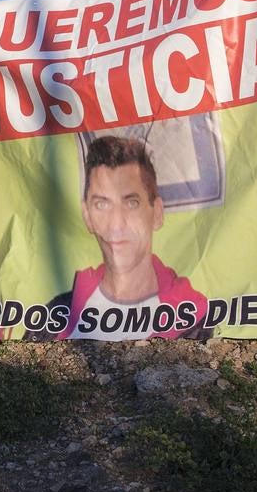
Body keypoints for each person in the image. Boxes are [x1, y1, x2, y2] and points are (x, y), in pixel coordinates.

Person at [51, 135, 207, 340]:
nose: (116, 223)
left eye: (131, 203)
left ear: (157, 213)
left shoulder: (198, 320)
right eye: (102, 204)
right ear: (87, 216)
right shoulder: (55, 314)